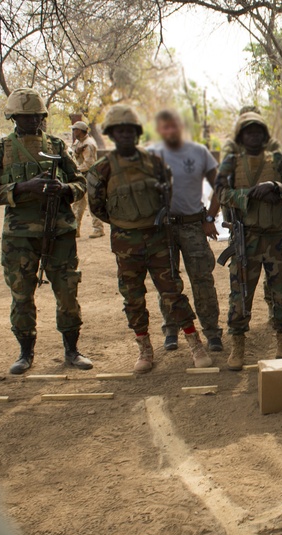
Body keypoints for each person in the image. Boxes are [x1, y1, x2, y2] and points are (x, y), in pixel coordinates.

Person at [0, 87, 93, 375]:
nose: (31, 121)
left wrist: (64, 189)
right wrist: (22, 188)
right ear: (13, 117)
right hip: (20, 236)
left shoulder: (57, 146)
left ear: (43, 116)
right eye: (24, 117)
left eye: (36, 116)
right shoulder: (1, 150)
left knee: (67, 291)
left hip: (59, 231)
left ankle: (72, 350)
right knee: (22, 294)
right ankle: (25, 352)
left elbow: (80, 183)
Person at [87, 104, 212, 372]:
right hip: (125, 243)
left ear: (137, 133)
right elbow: (97, 206)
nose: (125, 136)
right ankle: (144, 349)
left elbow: (165, 198)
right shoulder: (101, 168)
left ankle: (194, 343)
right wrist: (125, 224)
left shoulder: (154, 163)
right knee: (132, 297)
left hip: (157, 239)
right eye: (119, 131)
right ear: (110, 134)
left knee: (172, 292)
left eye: (130, 131)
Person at [216, 112, 282, 369]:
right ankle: (238, 346)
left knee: (281, 294)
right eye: (248, 132)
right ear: (241, 136)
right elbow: (220, 191)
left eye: (258, 131)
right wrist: (247, 195)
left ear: (265, 135)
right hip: (247, 239)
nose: (253, 136)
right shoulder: (231, 162)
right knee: (240, 294)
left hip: (275, 239)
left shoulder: (279, 160)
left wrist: (276, 187)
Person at [148, 109, 224, 353]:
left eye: (175, 126)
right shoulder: (151, 154)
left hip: (193, 225)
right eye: (165, 127)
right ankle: (171, 329)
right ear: (160, 129)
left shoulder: (199, 152)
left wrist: (210, 216)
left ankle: (212, 332)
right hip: (163, 228)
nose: (171, 131)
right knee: (167, 281)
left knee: (203, 280)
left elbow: (220, 186)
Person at [69, 121, 102, 239]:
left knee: (91, 202)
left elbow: (89, 163)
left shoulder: (89, 144)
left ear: (81, 131)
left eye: (75, 129)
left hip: (88, 175)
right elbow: (74, 154)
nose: (73, 132)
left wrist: (76, 170)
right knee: (77, 203)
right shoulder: (79, 142)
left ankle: (98, 229)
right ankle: (75, 228)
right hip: (81, 175)